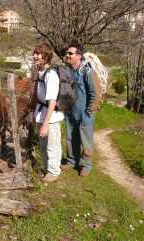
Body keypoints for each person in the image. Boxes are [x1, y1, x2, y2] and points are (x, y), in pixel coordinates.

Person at [62, 43, 96, 177]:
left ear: (79, 56)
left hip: (85, 113)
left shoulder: (87, 71)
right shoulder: (68, 71)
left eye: (70, 53)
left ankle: (86, 165)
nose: (67, 55)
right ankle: (72, 161)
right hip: (71, 111)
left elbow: (94, 93)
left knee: (86, 140)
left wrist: (90, 111)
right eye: (67, 53)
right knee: (71, 138)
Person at [34, 43, 64, 182]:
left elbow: (52, 101)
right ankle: (48, 170)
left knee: (52, 145)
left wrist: (45, 124)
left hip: (50, 117)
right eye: (34, 53)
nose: (34, 56)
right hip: (41, 115)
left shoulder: (51, 74)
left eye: (38, 54)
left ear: (46, 57)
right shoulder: (41, 72)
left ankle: (53, 172)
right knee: (43, 145)